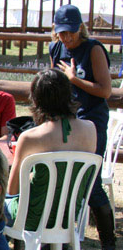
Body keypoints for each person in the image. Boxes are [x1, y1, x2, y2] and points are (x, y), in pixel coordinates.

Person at [49, 4, 116, 250]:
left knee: (90, 180)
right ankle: (60, 241)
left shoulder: (94, 49)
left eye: (71, 33)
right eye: (62, 33)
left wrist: (74, 80)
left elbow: (105, 91)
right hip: (66, 119)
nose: (67, 38)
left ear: (80, 28)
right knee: (60, 176)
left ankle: (109, 247)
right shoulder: (56, 48)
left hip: (92, 120)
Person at [5, 69, 97, 230]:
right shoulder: (90, 129)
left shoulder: (30, 137)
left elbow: (12, 189)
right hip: (67, 216)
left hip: (31, 217)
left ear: (36, 99)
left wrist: (33, 175)